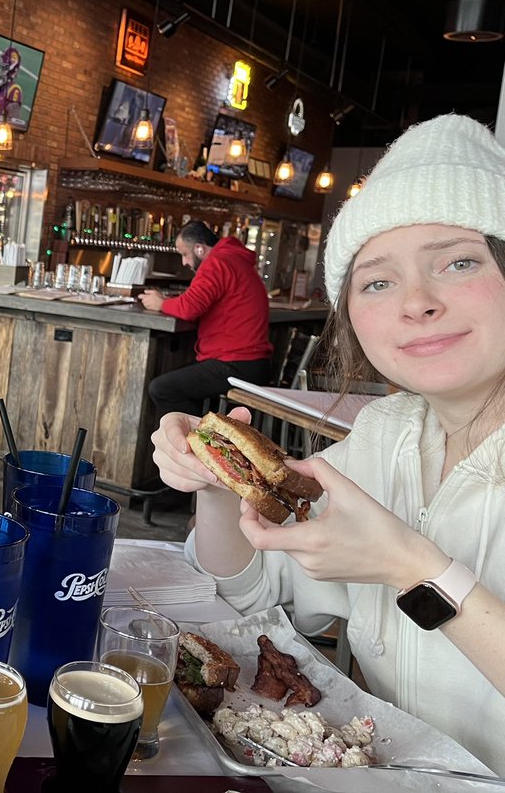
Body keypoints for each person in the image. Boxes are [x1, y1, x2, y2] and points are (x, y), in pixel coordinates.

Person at [150, 114, 505, 774]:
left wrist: (416, 571)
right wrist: (218, 486)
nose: (416, 301)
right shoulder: (386, 436)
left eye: (459, 262)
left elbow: (412, 570)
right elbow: (248, 594)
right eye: (378, 280)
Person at [138, 221, 272, 418]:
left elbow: (190, 308)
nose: (184, 262)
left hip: (237, 364)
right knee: (177, 381)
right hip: (252, 363)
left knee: (162, 389)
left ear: (199, 248)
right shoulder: (234, 258)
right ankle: (206, 437)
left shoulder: (217, 262)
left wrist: (161, 304)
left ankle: (201, 442)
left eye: (184, 254)